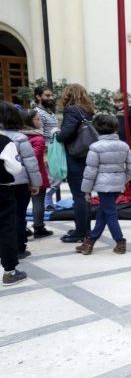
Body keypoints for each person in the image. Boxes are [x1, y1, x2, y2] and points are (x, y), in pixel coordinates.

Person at [76, 114, 131, 255]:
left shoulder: (95, 147)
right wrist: (123, 180)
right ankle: (89, 242)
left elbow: (90, 171)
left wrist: (86, 191)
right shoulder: (124, 145)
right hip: (117, 185)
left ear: (97, 129)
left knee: (110, 213)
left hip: (103, 187)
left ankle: (120, 242)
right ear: (116, 128)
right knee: (103, 213)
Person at [0, 103, 42, 259]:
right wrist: (36, 183)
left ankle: (4, 248)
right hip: (19, 183)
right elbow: (30, 163)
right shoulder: (20, 138)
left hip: (2, 183)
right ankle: (19, 247)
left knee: (4, 217)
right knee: (19, 215)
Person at [56, 84, 95, 243]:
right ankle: (85, 229)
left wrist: (57, 135)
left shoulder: (72, 110)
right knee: (85, 195)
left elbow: (65, 134)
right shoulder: (87, 110)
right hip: (86, 156)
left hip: (75, 156)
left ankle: (80, 232)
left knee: (79, 196)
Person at [20, 109, 53, 238]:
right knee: (38, 202)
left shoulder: (19, 136)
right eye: (38, 119)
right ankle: (39, 227)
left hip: (21, 175)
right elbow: (33, 156)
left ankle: (22, 227)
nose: (41, 122)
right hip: (36, 174)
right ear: (29, 122)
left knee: (22, 203)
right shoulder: (38, 138)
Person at [0, 132, 27, 285]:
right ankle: (10, 271)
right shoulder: (4, 141)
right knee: (6, 228)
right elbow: (15, 168)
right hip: (2, 189)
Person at [34, 85, 61, 211]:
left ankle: (48, 198)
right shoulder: (38, 113)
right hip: (46, 149)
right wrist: (44, 154)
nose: (51, 98)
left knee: (58, 175)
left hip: (55, 148)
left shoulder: (50, 112)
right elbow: (40, 133)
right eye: (47, 95)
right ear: (38, 97)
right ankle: (46, 200)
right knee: (51, 177)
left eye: (51, 95)